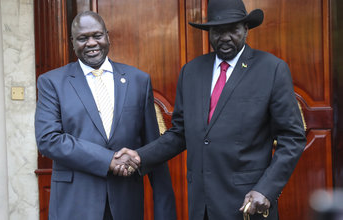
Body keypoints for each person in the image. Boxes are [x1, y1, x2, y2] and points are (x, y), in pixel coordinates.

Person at [115, 0, 307, 219]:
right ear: (209, 32)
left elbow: (292, 138)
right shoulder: (191, 71)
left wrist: (267, 189)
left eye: (232, 29)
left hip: (247, 204)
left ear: (246, 29)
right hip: (202, 206)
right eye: (217, 30)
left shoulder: (272, 69)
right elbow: (180, 134)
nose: (224, 37)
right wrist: (139, 156)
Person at [34, 11, 176, 220]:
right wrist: (107, 160)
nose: (91, 43)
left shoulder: (138, 80)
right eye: (83, 38)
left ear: (107, 37)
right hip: (75, 204)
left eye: (97, 35)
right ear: (73, 42)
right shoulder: (52, 82)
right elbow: (48, 139)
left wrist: (164, 213)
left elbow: (153, 148)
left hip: (126, 203)